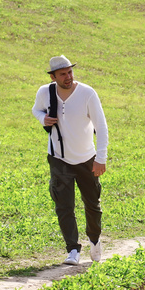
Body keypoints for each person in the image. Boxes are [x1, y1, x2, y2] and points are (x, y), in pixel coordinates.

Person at [32, 56, 108, 265]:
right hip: (59, 158)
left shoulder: (87, 93)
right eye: (63, 74)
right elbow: (36, 109)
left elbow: (101, 127)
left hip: (86, 159)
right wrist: (43, 118)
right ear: (53, 77)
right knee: (64, 206)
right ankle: (72, 250)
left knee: (92, 205)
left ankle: (94, 240)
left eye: (70, 72)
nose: (68, 77)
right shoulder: (45, 93)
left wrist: (100, 158)